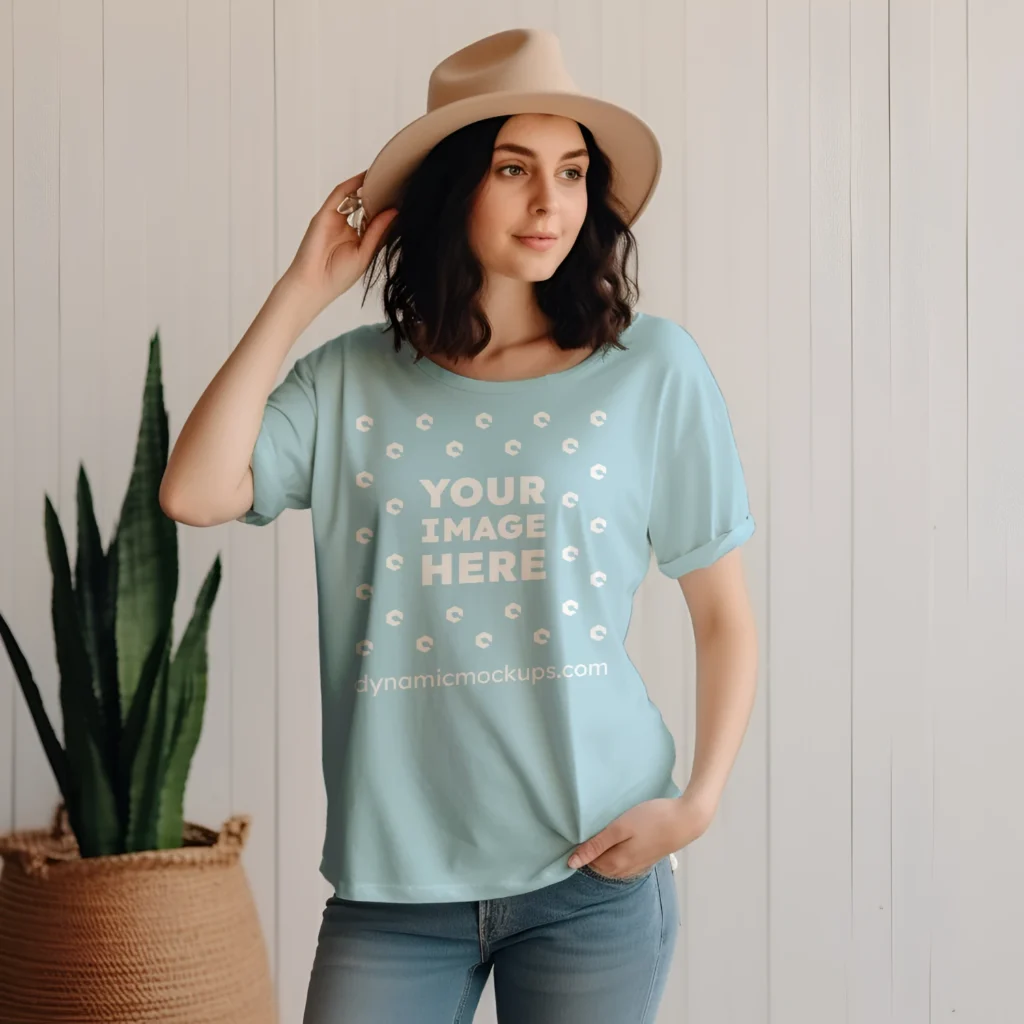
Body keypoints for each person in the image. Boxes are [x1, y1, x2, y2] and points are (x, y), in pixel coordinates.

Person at [159, 27, 758, 1024]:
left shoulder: (652, 369)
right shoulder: (351, 379)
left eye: (570, 172)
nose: (549, 202)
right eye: (512, 168)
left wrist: (694, 804)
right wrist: (304, 289)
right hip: (396, 891)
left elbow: (722, 614)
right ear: (451, 190)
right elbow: (193, 492)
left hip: (592, 870)